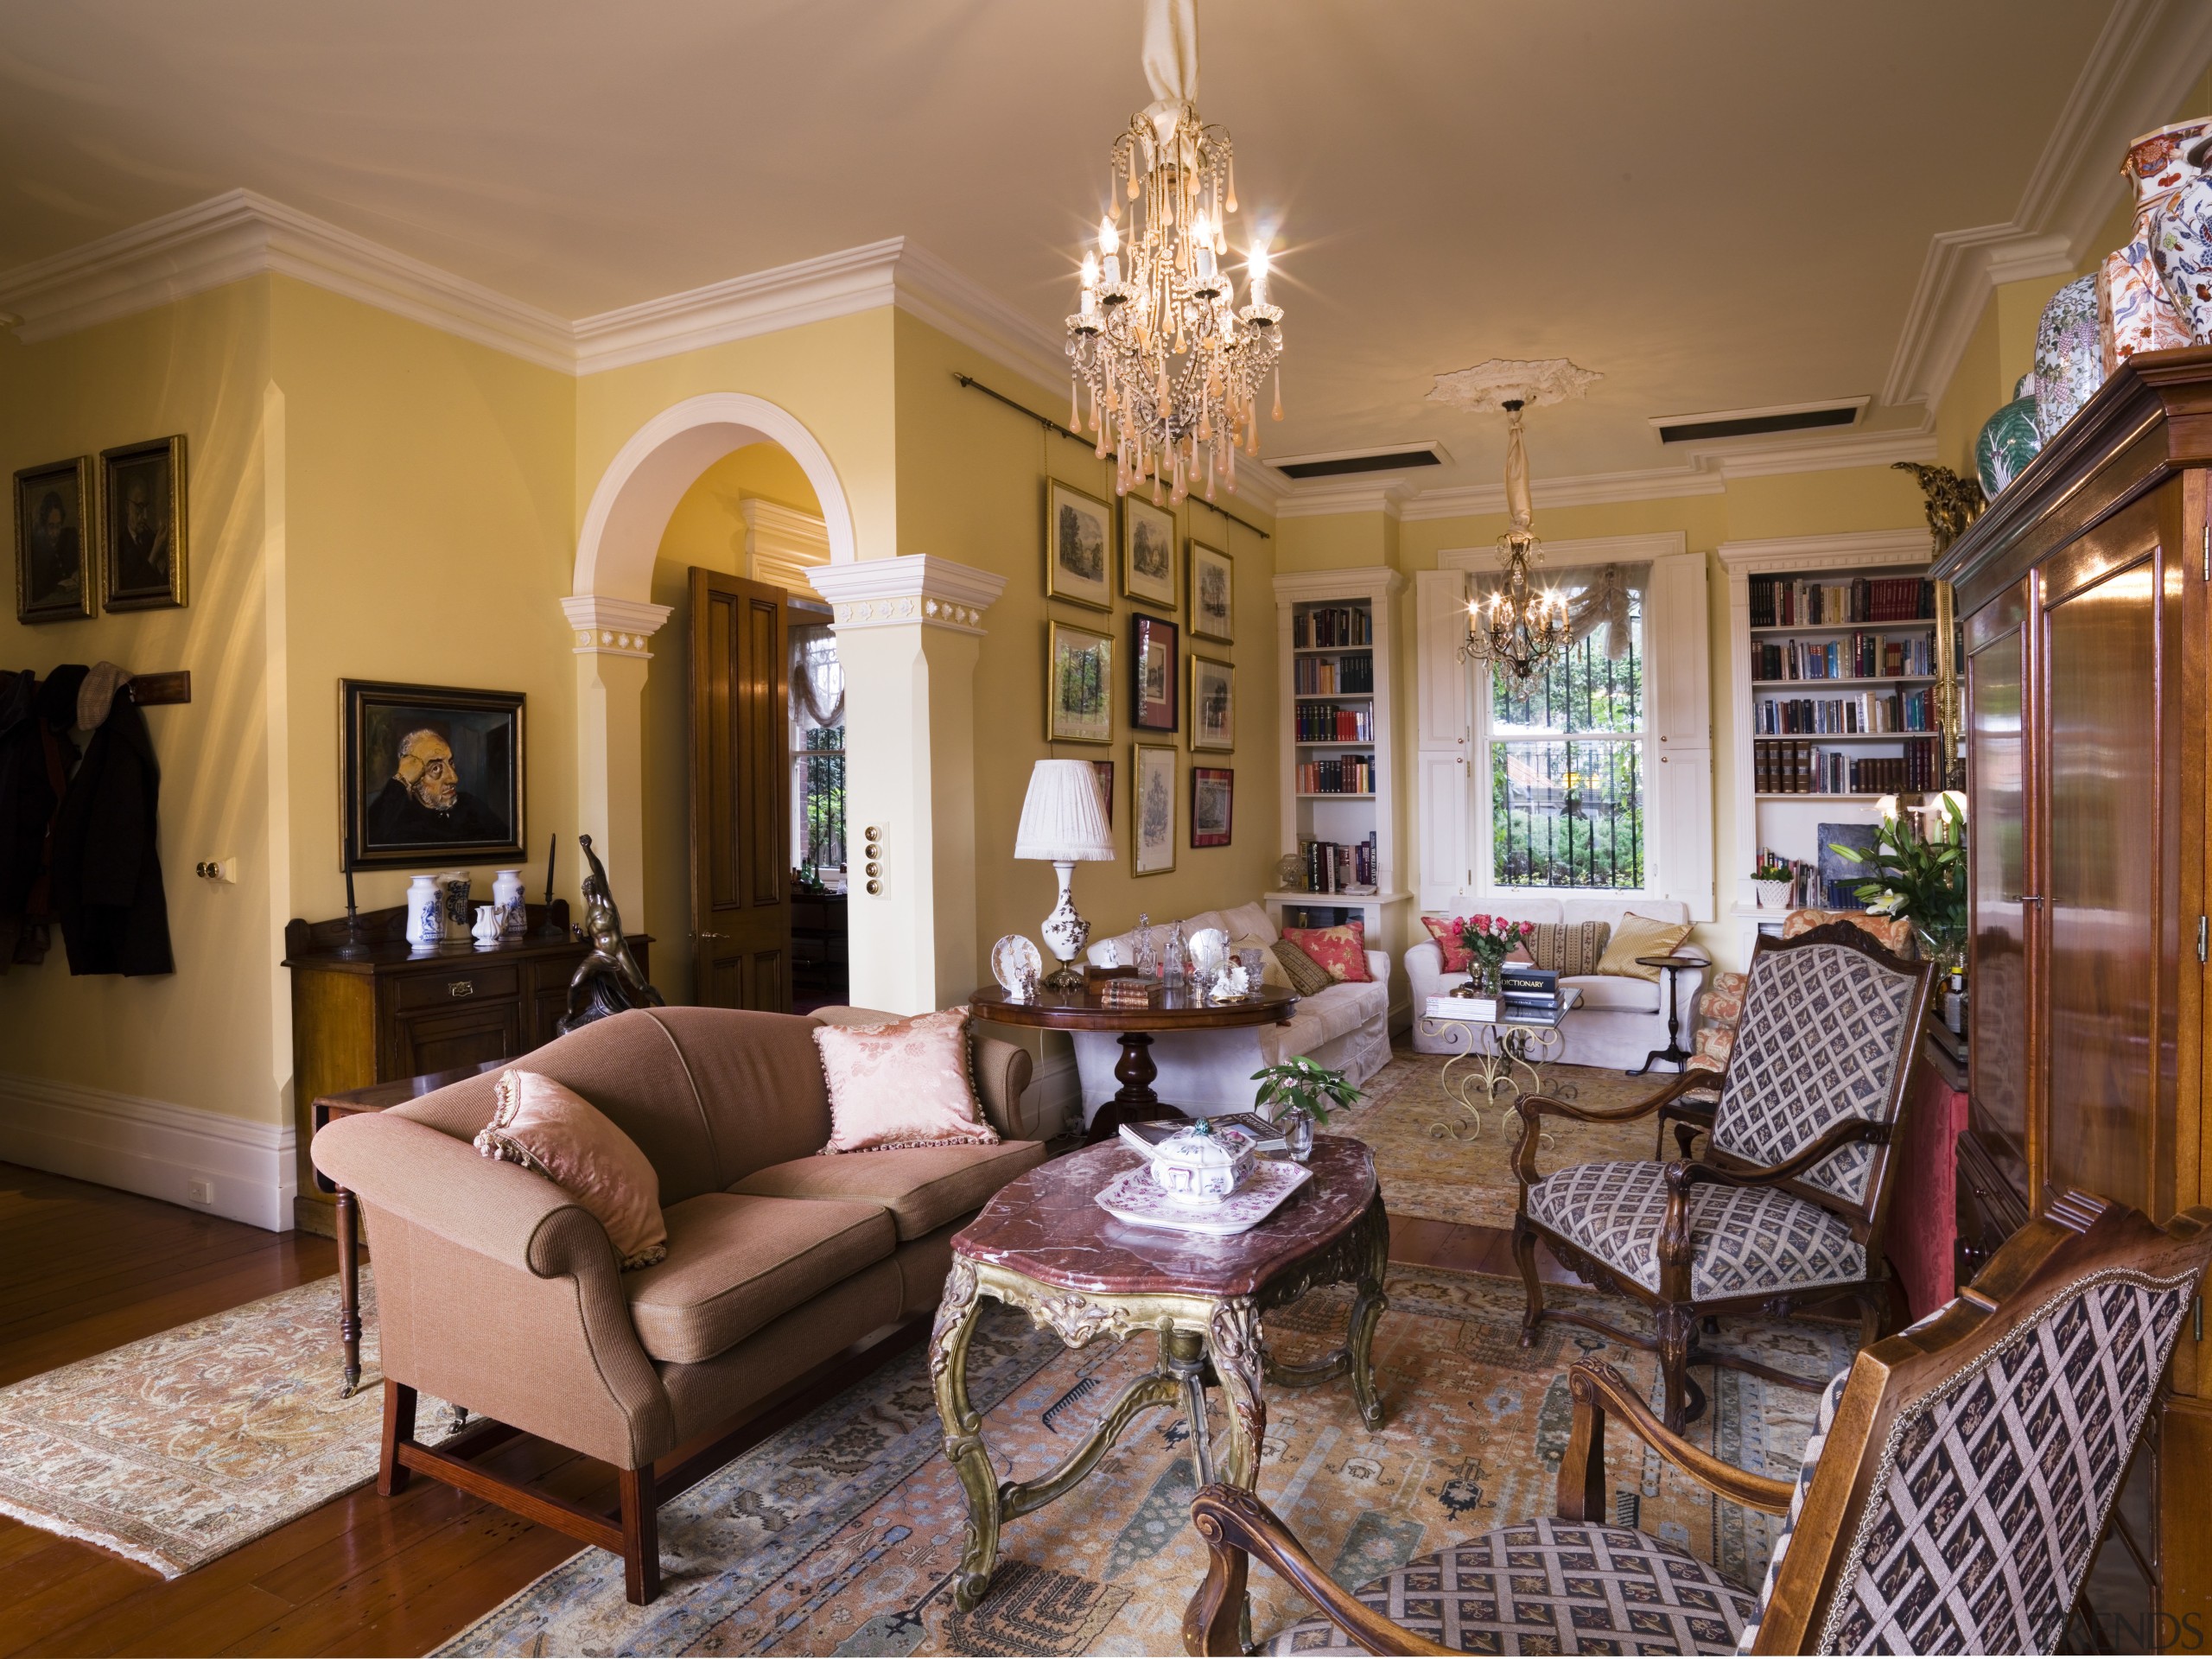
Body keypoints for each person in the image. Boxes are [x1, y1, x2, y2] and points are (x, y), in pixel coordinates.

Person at [364, 725, 507, 845]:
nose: (454, 778)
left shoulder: (469, 804)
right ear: (413, 778)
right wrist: (401, 779)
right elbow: (367, 842)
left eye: (451, 763)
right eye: (436, 768)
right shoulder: (398, 821)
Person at [113, 474, 169, 593]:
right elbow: (131, 592)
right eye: (140, 507)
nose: (145, 516)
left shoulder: (152, 539)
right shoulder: (118, 547)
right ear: (127, 507)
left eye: (147, 507)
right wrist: (154, 555)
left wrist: (163, 563)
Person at [25, 491, 81, 606]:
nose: (55, 533)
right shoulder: (36, 550)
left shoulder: (70, 537)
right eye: (51, 526)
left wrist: (80, 571)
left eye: (58, 526)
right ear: (44, 525)